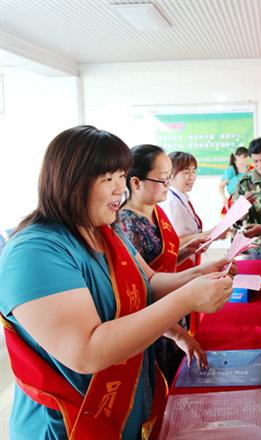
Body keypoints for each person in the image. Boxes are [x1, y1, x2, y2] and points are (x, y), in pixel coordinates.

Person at [0, 126, 234, 439]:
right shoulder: (34, 252)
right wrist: (186, 299)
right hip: (67, 424)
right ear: (71, 179)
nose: (119, 189)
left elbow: (149, 282)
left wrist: (200, 274)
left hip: (124, 409)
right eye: (108, 178)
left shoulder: (106, 231)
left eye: (121, 176)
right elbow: (86, 351)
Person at [119, 144, 207, 384]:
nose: (168, 184)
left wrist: (184, 252)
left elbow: (156, 265)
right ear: (135, 183)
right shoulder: (127, 226)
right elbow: (140, 290)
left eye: (169, 177)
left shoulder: (156, 211)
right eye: (163, 179)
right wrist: (179, 335)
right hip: (155, 324)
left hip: (172, 310)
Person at [158, 151, 208, 271]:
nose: (192, 177)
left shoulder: (181, 197)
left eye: (193, 171)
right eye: (186, 172)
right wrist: (210, 234)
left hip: (189, 260)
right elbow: (176, 241)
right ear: (171, 174)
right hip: (181, 263)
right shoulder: (171, 202)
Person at [218, 146, 251, 215]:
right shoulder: (231, 170)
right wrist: (224, 197)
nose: (247, 159)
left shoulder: (251, 169)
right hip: (234, 201)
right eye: (244, 156)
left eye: (247, 156)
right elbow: (221, 186)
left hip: (249, 200)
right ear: (237, 157)